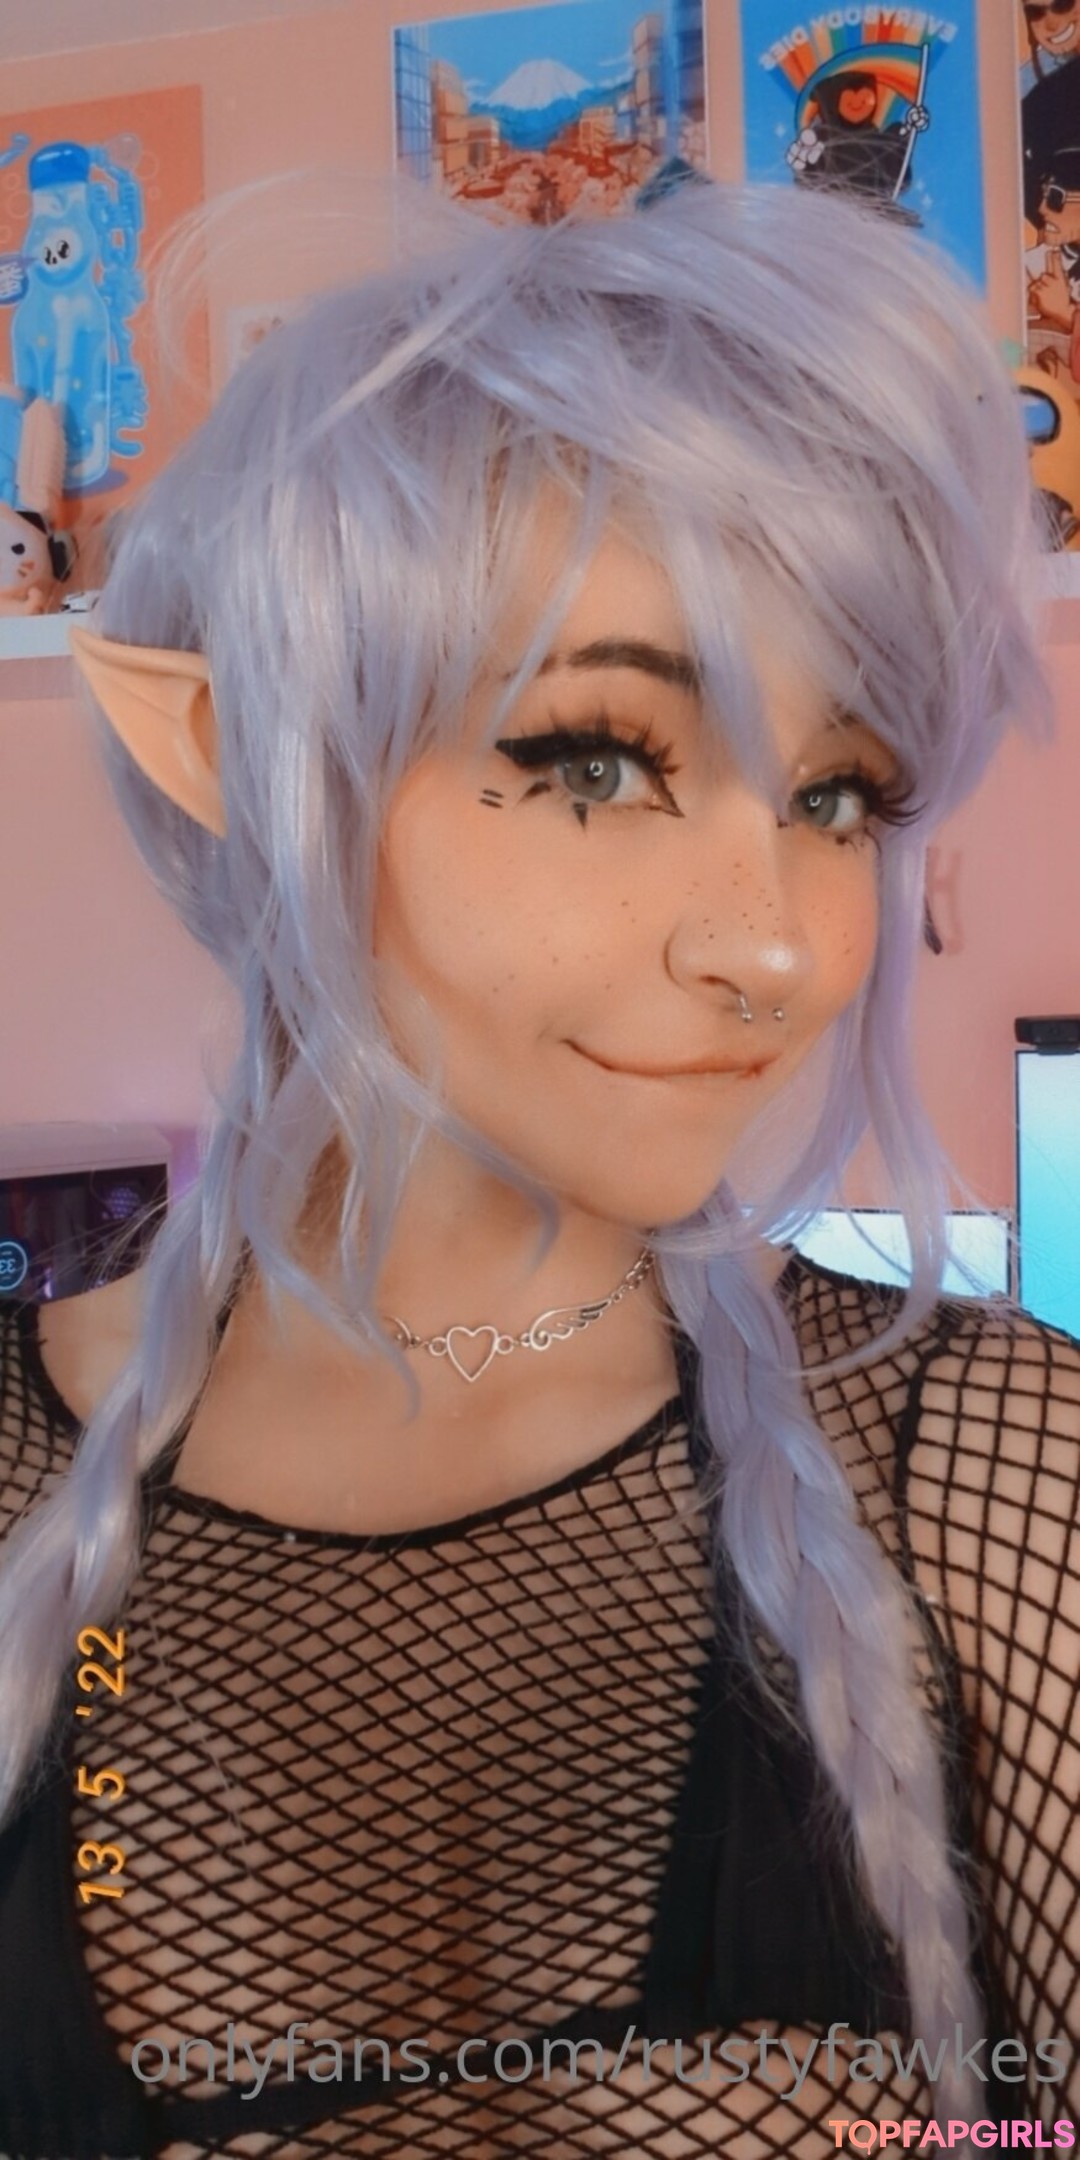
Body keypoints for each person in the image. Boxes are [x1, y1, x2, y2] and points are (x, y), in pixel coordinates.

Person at [0, 174, 1077, 2160]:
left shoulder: (1008, 1468)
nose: (775, 948)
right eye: (599, 760)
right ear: (236, 758)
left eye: (839, 795)